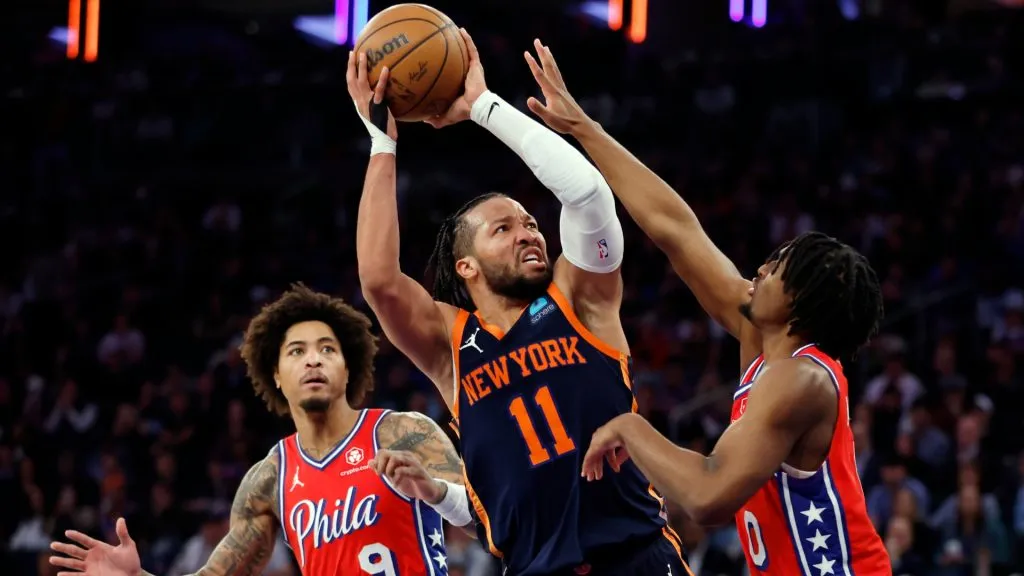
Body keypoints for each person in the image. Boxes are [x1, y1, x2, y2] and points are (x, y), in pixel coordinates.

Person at [514, 41, 892, 575]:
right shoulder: (763, 343)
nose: (759, 269)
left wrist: (629, 426)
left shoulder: (803, 379)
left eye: (777, 267)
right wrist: (584, 129)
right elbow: (676, 229)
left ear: (805, 297)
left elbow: (708, 496)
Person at [350, 30, 690, 576]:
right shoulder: (450, 344)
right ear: (465, 266)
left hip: (635, 557)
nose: (528, 233)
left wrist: (483, 107)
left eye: (530, 223)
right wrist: (381, 144)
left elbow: (587, 194)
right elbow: (379, 280)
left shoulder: (580, 298)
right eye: (503, 229)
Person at [48, 284, 472, 576]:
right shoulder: (270, 479)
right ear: (277, 375)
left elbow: (488, 521)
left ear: (348, 369)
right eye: (297, 351)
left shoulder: (400, 432)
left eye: (327, 349)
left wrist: (434, 491)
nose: (313, 360)